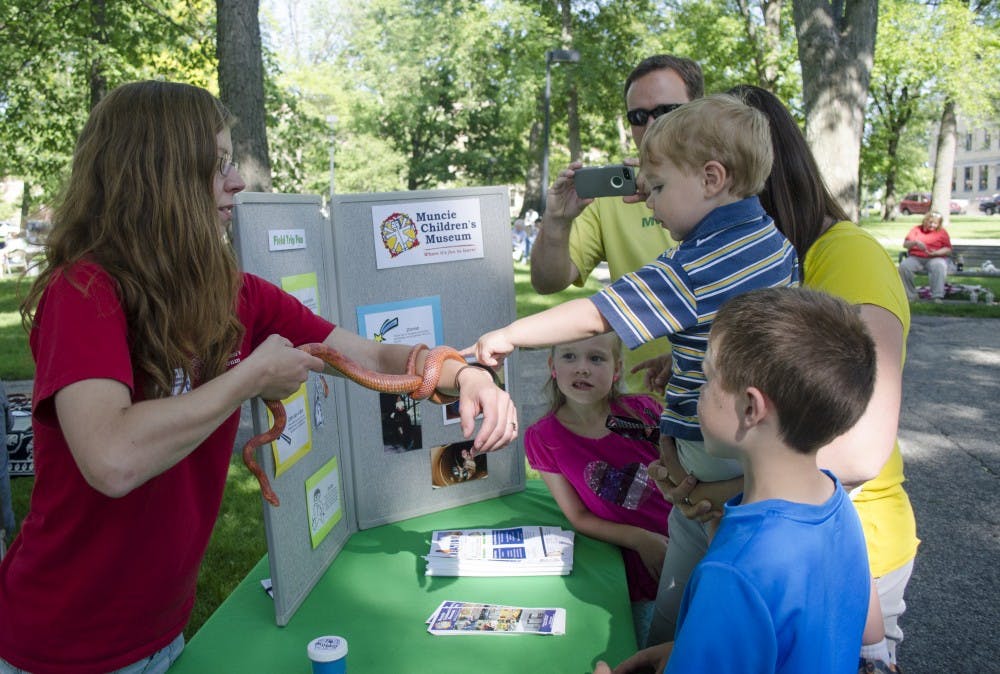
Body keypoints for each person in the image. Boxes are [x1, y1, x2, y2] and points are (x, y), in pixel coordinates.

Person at [0, 80, 517, 674]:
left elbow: (368, 356)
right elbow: (112, 457)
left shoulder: (235, 296)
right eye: (217, 166)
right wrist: (247, 380)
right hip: (58, 644)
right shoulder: (84, 291)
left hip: (159, 631)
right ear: (157, 177)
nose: (237, 183)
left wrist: (463, 375)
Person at [645, 85, 917, 673]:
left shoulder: (844, 257)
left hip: (800, 539)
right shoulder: (763, 260)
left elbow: (858, 444)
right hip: (809, 530)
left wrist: (713, 492)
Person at [595, 286, 876, 674]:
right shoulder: (835, 501)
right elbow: (857, 627)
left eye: (707, 379)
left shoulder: (734, 572)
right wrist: (693, 646)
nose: (696, 392)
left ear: (750, 407)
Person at [529, 54, 704, 398]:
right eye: (638, 117)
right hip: (643, 403)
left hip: (727, 400)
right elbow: (547, 281)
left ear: (700, 109)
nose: (652, 125)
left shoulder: (732, 185)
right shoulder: (611, 197)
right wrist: (557, 222)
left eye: (667, 112)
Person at [524, 333, 670, 645]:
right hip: (634, 573)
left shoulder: (639, 414)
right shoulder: (545, 437)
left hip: (687, 547)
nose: (582, 369)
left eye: (596, 358)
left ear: (617, 370)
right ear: (552, 366)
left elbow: (683, 471)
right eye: (569, 357)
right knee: (649, 647)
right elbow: (577, 515)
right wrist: (641, 540)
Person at [898, 211, 952, 301]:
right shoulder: (916, 229)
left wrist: (936, 253)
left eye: (935, 223)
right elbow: (905, 244)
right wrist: (915, 242)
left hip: (935, 258)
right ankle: (911, 296)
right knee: (904, 266)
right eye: (930, 222)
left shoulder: (942, 232)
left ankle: (937, 296)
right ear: (925, 221)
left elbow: (948, 249)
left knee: (939, 266)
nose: (932, 225)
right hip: (916, 258)